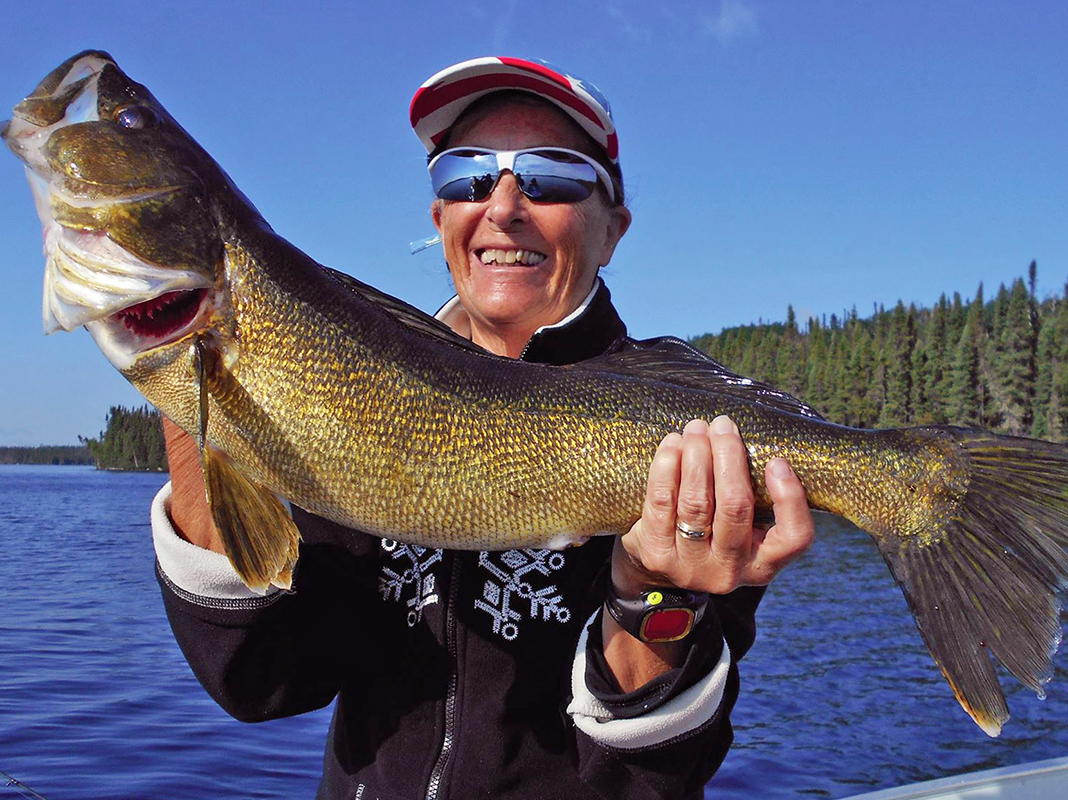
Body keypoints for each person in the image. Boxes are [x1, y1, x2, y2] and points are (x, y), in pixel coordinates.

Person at [152, 56, 815, 799]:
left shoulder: (689, 443)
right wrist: (194, 373)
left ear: (613, 229)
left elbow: (645, 784)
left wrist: (655, 595)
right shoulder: (347, 400)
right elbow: (261, 683)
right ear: (441, 219)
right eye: (465, 175)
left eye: (552, 175)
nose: (502, 205)